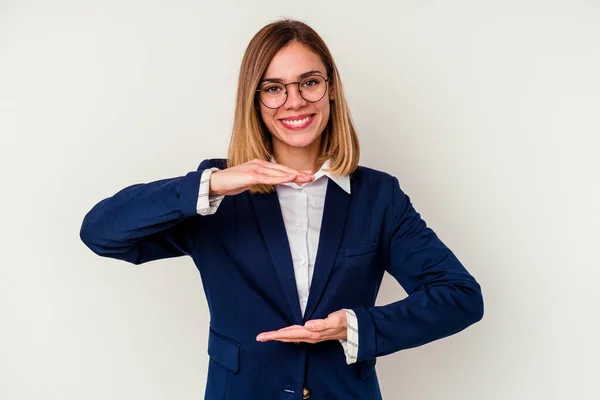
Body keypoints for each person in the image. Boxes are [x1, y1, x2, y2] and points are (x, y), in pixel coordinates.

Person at [80, 19, 484, 400]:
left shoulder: (378, 196)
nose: (294, 102)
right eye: (274, 88)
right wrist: (213, 183)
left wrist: (354, 326)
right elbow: (101, 233)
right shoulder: (217, 193)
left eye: (309, 82)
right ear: (254, 99)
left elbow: (460, 296)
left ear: (330, 89)